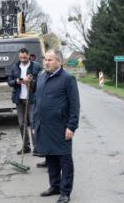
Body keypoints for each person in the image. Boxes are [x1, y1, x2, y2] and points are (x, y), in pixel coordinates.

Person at [34, 49, 80, 203]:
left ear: (59, 61)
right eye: (45, 59)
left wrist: (71, 126)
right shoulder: (41, 76)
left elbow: (75, 105)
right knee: (50, 157)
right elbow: (37, 102)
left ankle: (65, 192)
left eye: (50, 60)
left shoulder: (68, 79)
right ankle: (55, 185)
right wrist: (35, 124)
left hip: (61, 127)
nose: (46, 62)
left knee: (64, 160)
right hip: (45, 126)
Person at [8, 48, 41, 155]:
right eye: (21, 57)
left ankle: (37, 148)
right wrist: (16, 81)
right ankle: (26, 147)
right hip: (19, 99)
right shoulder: (15, 67)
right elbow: (9, 81)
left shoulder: (36, 66)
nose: (22, 59)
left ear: (29, 56)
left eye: (25, 57)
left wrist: (32, 81)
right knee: (22, 124)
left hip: (31, 99)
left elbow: (41, 81)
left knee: (33, 122)